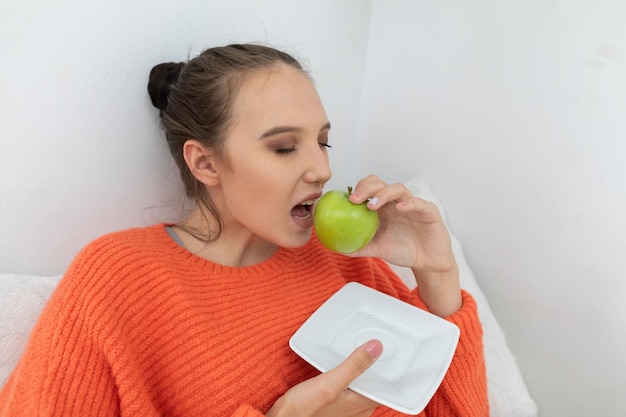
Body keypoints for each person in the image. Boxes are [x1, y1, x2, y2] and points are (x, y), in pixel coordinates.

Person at [0, 43, 488, 416]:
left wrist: (438, 274)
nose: (320, 169)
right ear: (206, 162)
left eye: (323, 143)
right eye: (283, 148)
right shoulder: (117, 279)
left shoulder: (344, 262)